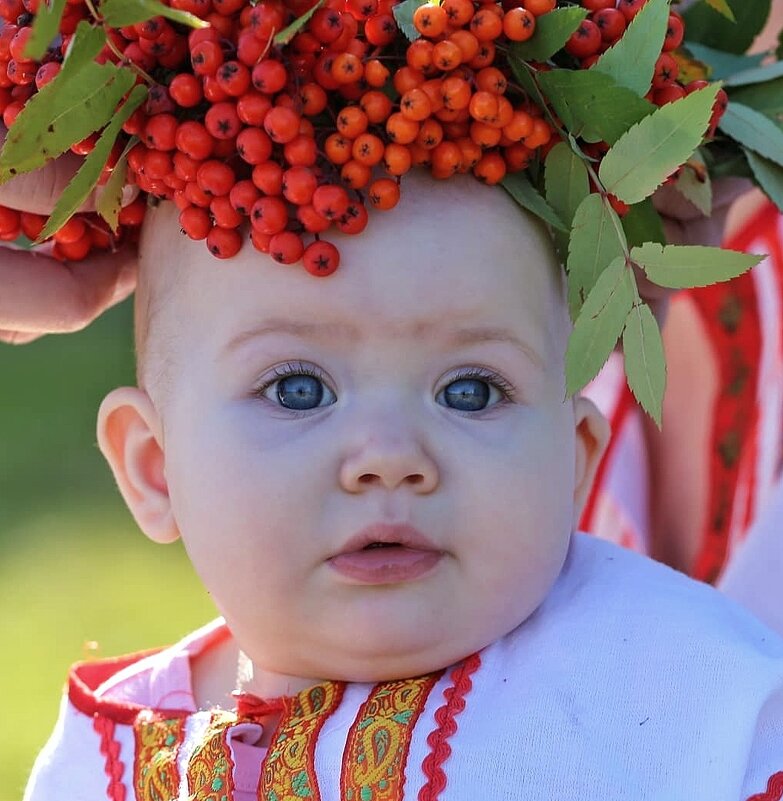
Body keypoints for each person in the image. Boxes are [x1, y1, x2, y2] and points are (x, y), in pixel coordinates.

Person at [22, 171, 783, 801]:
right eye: (297, 389)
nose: (389, 457)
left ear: (574, 455)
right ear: (156, 468)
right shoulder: (96, 764)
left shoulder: (690, 695)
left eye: (470, 392)